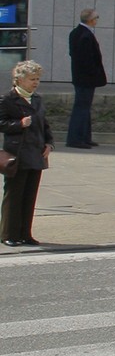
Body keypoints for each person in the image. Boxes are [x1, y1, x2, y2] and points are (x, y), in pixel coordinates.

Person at [2, 60, 53, 247]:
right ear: (19, 79)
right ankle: (9, 234)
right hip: (18, 153)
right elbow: (2, 123)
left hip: (36, 152)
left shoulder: (37, 99)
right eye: (32, 79)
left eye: (38, 79)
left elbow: (45, 124)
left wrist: (49, 144)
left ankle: (26, 234)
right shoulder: (7, 99)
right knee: (14, 195)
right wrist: (19, 124)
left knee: (30, 196)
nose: (35, 82)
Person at [66, 9, 106, 149]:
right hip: (86, 78)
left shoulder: (76, 33)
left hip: (80, 76)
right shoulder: (85, 35)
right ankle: (76, 139)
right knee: (82, 108)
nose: (97, 20)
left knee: (84, 107)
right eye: (96, 17)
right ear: (90, 20)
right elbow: (87, 59)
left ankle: (84, 137)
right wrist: (94, 73)